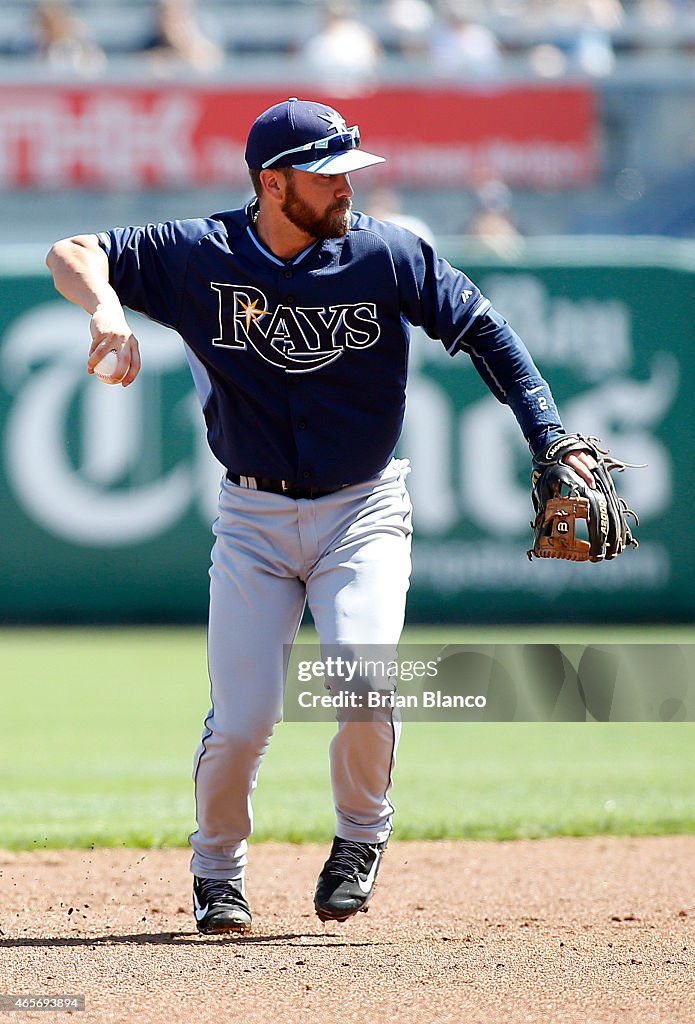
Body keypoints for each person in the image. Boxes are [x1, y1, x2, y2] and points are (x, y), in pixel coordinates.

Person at [46, 97, 595, 934]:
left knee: (363, 684)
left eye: (348, 172)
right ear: (272, 183)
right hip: (253, 518)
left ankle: (359, 839)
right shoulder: (199, 254)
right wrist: (107, 308)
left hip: (363, 508)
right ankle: (216, 871)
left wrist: (548, 435)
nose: (346, 188)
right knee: (243, 722)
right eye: (326, 174)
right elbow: (71, 249)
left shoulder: (386, 252)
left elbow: (487, 333)